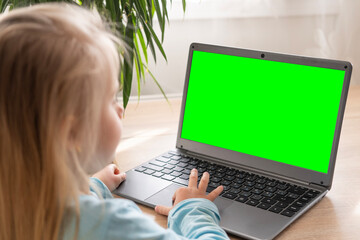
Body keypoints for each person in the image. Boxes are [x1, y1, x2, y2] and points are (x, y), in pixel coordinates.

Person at [0, 3, 229, 240]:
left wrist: (92, 187)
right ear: (70, 133)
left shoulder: (15, 207)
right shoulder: (113, 227)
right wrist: (193, 210)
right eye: (111, 98)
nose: (120, 108)